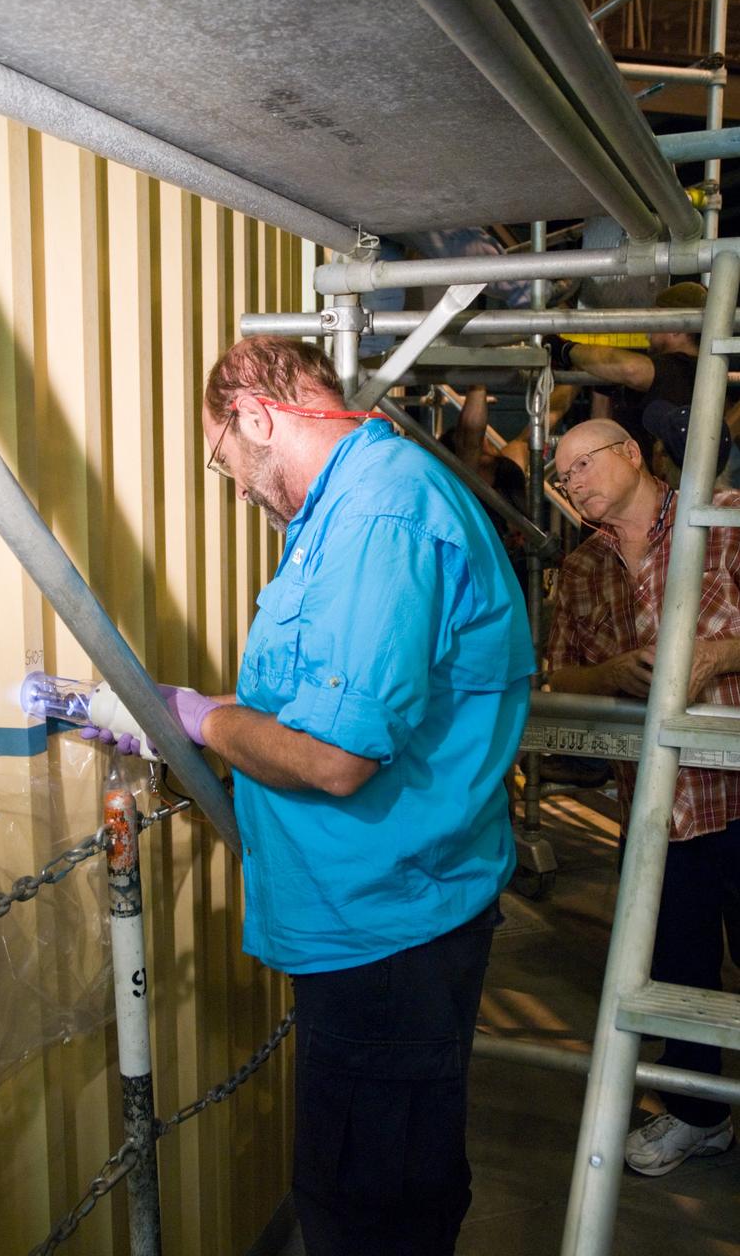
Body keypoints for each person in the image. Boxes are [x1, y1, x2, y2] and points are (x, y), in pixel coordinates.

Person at [102, 336, 534, 1253]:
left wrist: (203, 721)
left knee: (361, 1210)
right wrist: (227, 714)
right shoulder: (353, 509)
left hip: (389, 930)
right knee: (394, 1189)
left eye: (226, 460)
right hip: (390, 915)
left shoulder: (380, 514)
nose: (236, 487)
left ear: (260, 418)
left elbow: (337, 760)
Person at [546, 417, 740, 1177]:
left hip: (735, 787)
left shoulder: (721, 519)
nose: (573, 484)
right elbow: (562, 673)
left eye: (582, 465)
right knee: (676, 967)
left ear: (630, 452)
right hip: (662, 803)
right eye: (563, 478)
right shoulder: (586, 566)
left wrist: (718, 654)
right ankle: (700, 1116)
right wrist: (613, 674)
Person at [545, 281, 708, 464]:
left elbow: (630, 369)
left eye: (656, 320)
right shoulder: (665, 368)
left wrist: (564, 348)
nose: (648, 331)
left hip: (662, 480)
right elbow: (603, 410)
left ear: (676, 327)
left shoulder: (684, 368)